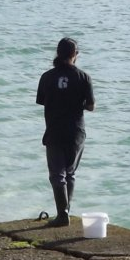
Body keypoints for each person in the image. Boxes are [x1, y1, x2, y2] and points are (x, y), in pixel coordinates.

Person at [36, 37, 95, 227]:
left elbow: (43, 101)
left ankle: (62, 214)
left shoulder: (47, 77)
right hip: (76, 132)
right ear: (74, 55)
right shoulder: (84, 77)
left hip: (54, 131)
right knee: (69, 174)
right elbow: (91, 106)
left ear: (58, 54)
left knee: (57, 175)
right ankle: (66, 212)